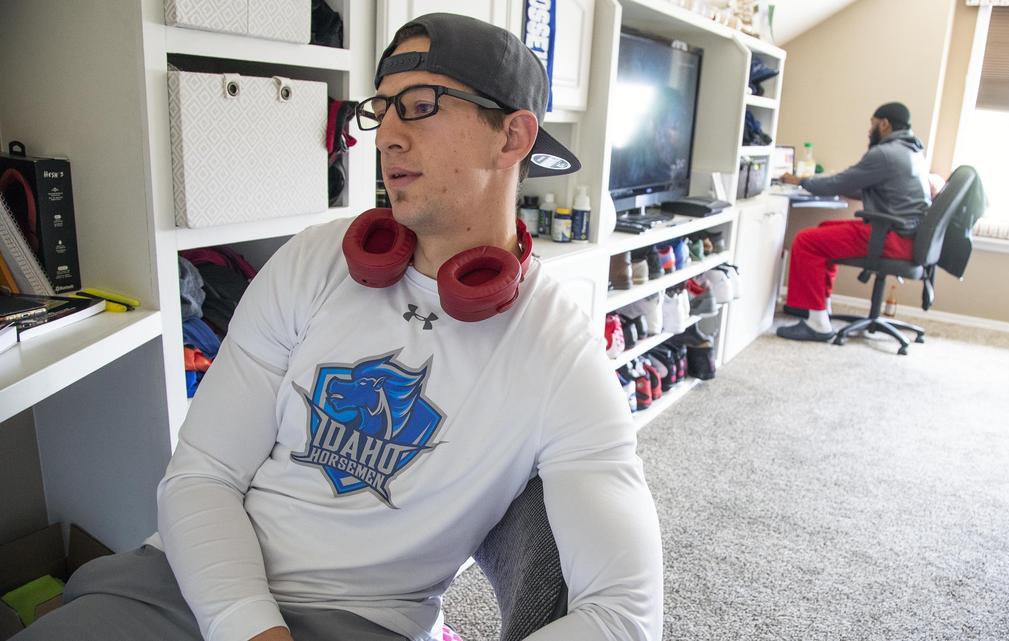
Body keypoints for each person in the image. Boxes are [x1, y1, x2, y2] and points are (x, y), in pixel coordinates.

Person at [15, 13, 663, 641]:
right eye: (381, 110)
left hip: (366, 622)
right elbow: (200, 475)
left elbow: (625, 613)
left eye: (421, 105)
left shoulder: (559, 349)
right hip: (193, 580)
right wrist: (248, 624)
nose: (386, 137)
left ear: (513, 138)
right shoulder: (314, 259)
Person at [775, 102, 931, 341]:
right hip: (906, 236)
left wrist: (801, 181)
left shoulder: (885, 153)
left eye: (872, 124)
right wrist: (837, 185)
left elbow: (838, 183)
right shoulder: (913, 152)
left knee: (807, 241)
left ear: (884, 124)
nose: (870, 131)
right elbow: (865, 187)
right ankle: (819, 308)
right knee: (824, 231)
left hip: (891, 237)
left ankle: (817, 325)